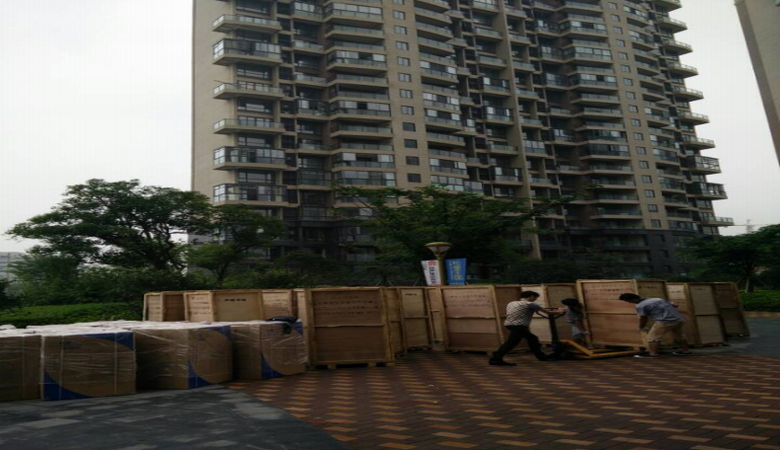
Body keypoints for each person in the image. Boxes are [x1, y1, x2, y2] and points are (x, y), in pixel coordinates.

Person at [489, 291, 556, 366]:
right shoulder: (530, 304)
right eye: (535, 297)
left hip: (508, 324)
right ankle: (496, 359)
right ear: (531, 296)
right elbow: (549, 312)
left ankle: (541, 357)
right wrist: (562, 310)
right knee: (511, 342)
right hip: (519, 325)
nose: (535, 299)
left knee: (533, 338)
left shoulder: (511, 303)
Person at [618, 293, 692, 358]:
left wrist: (641, 326)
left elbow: (643, 318)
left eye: (627, 301)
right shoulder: (657, 299)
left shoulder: (640, 306)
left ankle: (653, 354)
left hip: (665, 321)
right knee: (680, 335)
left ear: (632, 299)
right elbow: (675, 305)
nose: (628, 302)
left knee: (652, 337)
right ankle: (685, 351)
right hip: (678, 319)